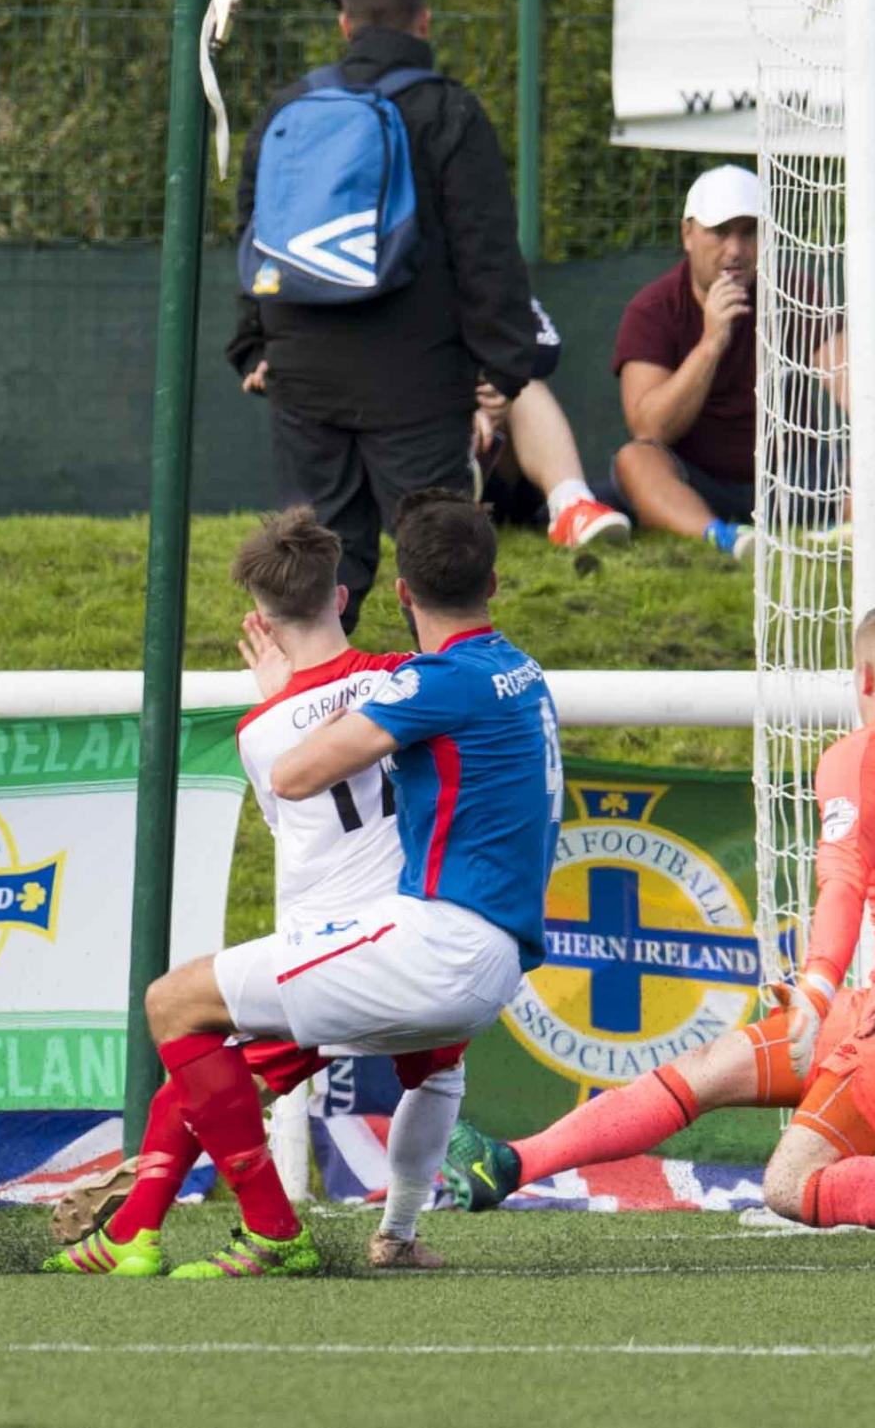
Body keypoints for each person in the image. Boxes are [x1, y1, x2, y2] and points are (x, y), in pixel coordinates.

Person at [443, 598, 875, 1262]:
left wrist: (820, 981)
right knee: (711, 1066)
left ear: (862, 677)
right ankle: (511, 1163)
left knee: (789, 1183)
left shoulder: (869, 751)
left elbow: (845, 878)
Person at [90, 492, 555, 1278]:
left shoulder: (360, 701)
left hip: (387, 944)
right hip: (475, 955)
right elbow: (396, 696)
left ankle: (227, 1230)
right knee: (436, 1071)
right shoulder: (471, 670)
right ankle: (395, 1233)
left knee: (184, 1027)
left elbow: (295, 774)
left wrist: (281, 702)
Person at [227, 0, 543, 631]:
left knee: (313, 572)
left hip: (304, 377)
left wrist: (251, 341)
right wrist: (504, 363)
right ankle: (454, 723)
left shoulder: (288, 109)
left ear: (344, 25)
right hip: (418, 383)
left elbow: (253, 230)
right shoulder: (450, 112)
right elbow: (485, 249)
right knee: (440, 564)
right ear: (423, 23)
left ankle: (308, 724)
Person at [611, 165, 842, 558]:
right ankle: (724, 538)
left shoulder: (796, 292)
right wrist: (711, 342)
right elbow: (649, 427)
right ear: (688, 234)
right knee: (635, 460)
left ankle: (844, 533)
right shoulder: (653, 309)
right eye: (720, 233)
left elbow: (846, 376)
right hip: (697, 483)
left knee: (869, 451)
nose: (735, 250)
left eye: (748, 232)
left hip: (795, 480)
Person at [475, 299, 630, 548]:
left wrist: (497, 383)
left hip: (496, 460)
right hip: (422, 452)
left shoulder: (492, 273)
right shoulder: (399, 282)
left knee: (524, 387)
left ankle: (572, 506)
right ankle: (436, 513)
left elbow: (545, 344)